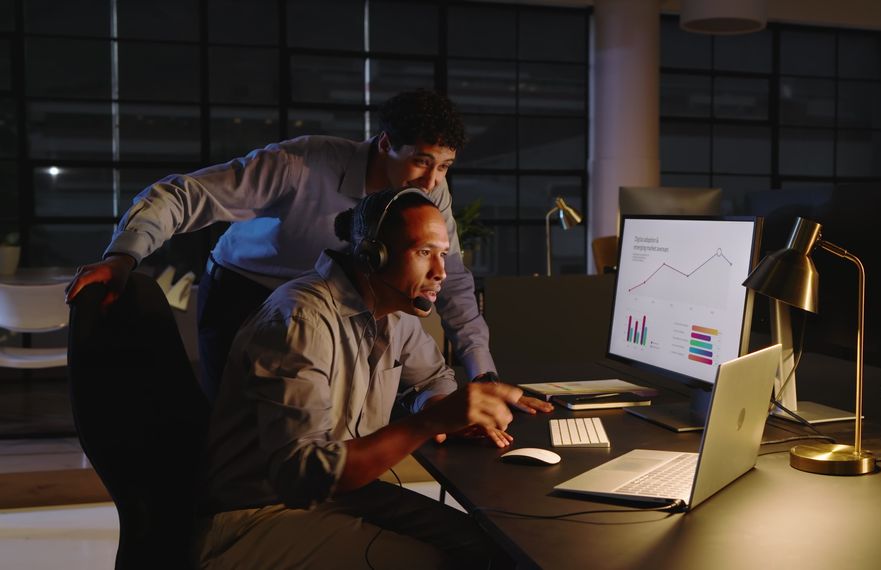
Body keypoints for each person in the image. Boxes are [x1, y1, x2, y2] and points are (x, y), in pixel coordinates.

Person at [63, 89, 552, 415]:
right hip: (247, 291)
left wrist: (482, 371)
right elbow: (182, 195)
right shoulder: (300, 165)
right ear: (385, 144)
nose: (432, 182)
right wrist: (123, 256)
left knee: (322, 426)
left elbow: (456, 282)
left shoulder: (426, 193)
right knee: (242, 430)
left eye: (444, 167)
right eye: (422, 162)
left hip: (335, 304)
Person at [196, 188, 522, 568]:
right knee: (443, 563)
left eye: (443, 254)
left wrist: (443, 407)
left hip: (345, 494)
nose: (441, 273)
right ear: (372, 256)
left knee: (489, 547)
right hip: (259, 514)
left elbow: (431, 378)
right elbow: (306, 473)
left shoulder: (393, 312)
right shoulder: (300, 320)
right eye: (423, 253)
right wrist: (431, 420)